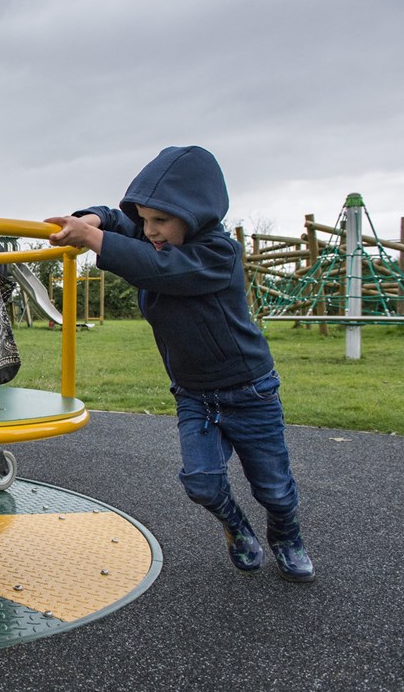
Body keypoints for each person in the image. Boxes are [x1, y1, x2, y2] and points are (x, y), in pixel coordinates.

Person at [45, 145, 314, 583]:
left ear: (195, 214)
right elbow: (118, 220)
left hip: (250, 391)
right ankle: (237, 527)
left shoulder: (217, 255)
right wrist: (93, 219)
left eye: (160, 221)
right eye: (145, 220)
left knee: (274, 489)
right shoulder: (160, 235)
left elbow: (160, 269)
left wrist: (95, 240)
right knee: (201, 482)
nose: (149, 231)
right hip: (195, 394)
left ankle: (286, 535)